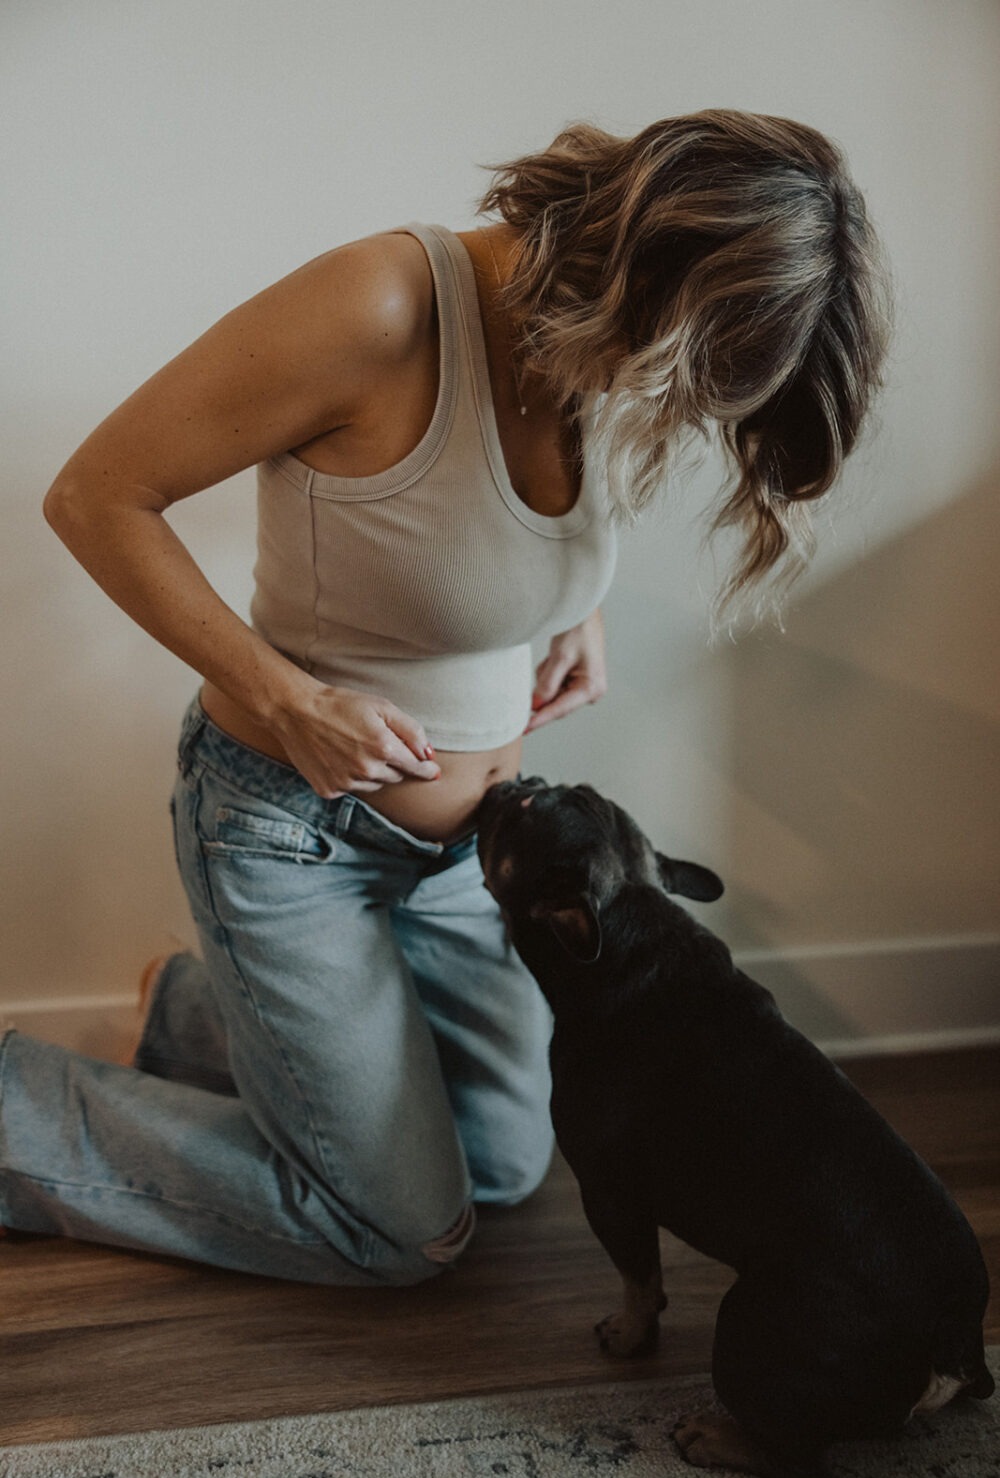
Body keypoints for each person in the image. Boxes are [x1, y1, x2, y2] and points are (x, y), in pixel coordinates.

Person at [2, 110, 889, 1284]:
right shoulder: (380, 306)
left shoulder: (580, 331)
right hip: (290, 831)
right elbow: (95, 496)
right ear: (642, 271)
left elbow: (458, 531)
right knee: (402, 1233)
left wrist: (567, 599)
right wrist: (284, 701)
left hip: (475, 854)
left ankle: (196, 1018)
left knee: (508, 1162)